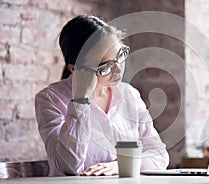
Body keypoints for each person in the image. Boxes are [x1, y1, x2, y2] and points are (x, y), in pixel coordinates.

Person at [35, 15, 169, 176]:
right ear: (74, 68)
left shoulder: (129, 95)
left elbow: (160, 156)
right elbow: (68, 167)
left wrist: (121, 165)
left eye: (120, 56)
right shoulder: (51, 99)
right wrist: (80, 100)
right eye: (106, 66)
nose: (118, 70)